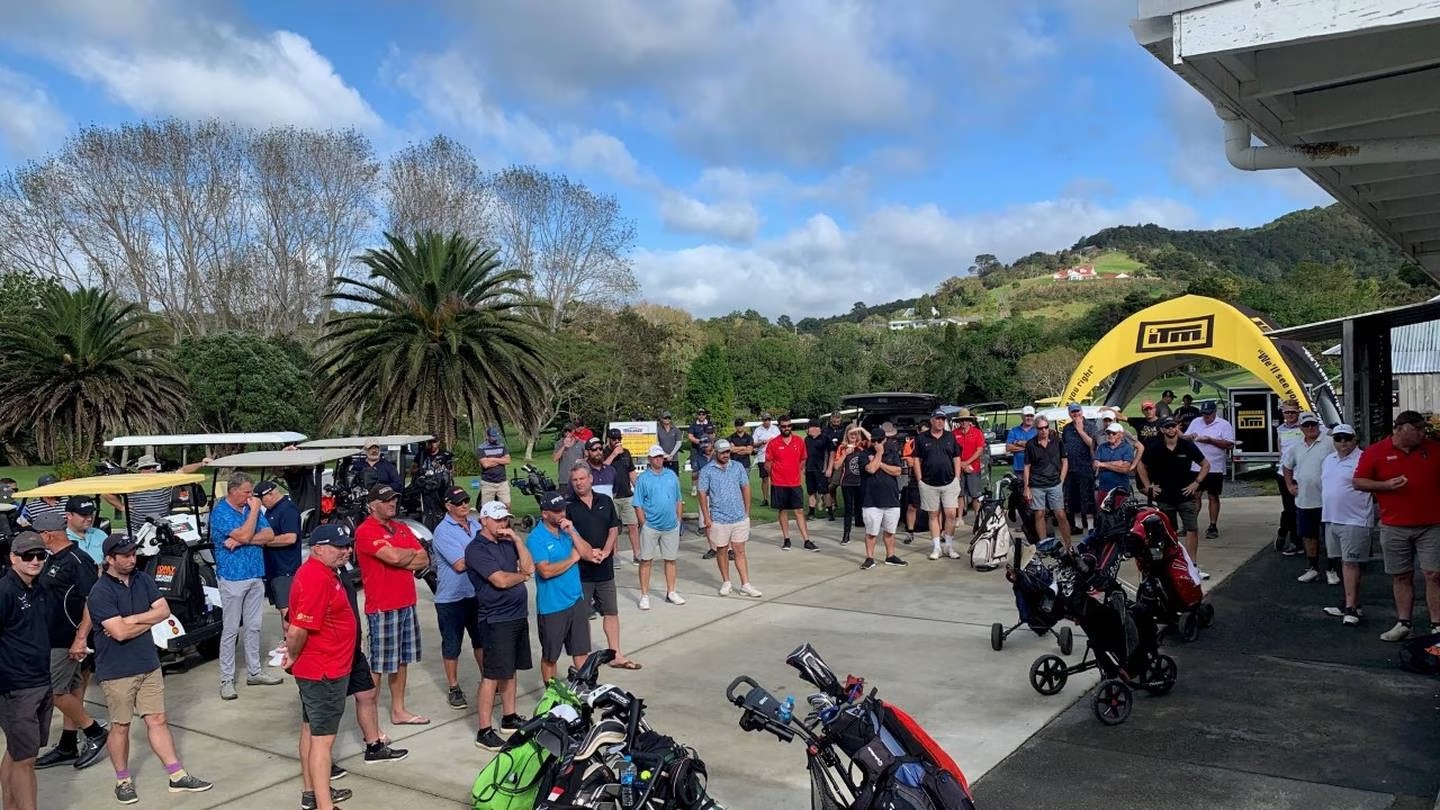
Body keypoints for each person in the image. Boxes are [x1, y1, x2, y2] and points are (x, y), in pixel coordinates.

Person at [88, 533, 213, 803]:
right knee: (120, 725)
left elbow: (164, 610)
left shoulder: (143, 579)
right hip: (117, 669)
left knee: (157, 720)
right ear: (109, 559)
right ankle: (123, 780)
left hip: (148, 663)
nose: (132, 559)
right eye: (125, 555)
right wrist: (143, 622)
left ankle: (176, 775)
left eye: (133, 553)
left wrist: (132, 619)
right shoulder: (100, 593)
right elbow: (119, 634)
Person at [283, 524, 358, 810]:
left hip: (321, 667)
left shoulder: (325, 572)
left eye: (347, 545)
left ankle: (312, 792)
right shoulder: (316, 577)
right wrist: (291, 654)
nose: (346, 550)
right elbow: (298, 628)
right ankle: (325, 805)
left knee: (311, 731)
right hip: (324, 670)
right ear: (317, 548)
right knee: (323, 742)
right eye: (339, 546)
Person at [1352, 410, 1440, 643]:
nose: (1423, 433)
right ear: (1401, 429)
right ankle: (1404, 623)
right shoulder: (1376, 452)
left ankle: (1437, 625)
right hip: (1394, 525)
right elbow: (1358, 481)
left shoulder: (1433, 449)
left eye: (1424, 428)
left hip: (1432, 524)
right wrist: (1384, 485)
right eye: (1417, 429)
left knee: (1434, 574)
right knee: (1401, 575)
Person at [29, 514, 107, 771]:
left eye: (37, 534)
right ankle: (67, 744)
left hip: (68, 639)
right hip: (52, 637)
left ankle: (94, 732)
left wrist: (81, 638)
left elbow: (91, 601)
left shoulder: (77, 561)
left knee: (54, 691)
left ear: (48, 535)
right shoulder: (51, 558)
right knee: (73, 691)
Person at [352, 484, 430, 726]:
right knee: (378, 663)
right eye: (386, 501)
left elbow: (424, 558)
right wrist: (403, 556)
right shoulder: (366, 531)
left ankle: (398, 710)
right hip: (382, 607)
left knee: (401, 660)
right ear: (372, 505)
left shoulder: (402, 527)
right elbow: (396, 557)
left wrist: (399, 556)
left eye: (394, 500)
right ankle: (370, 719)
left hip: (406, 603)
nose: (392, 504)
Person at [209, 473, 286, 700]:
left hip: (255, 573)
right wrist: (253, 513)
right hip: (233, 577)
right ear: (233, 491)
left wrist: (243, 539)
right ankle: (226, 679)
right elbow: (243, 533)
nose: (251, 496)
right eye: (246, 492)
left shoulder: (247, 508)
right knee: (231, 628)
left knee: (254, 626)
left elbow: (269, 534)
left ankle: (254, 671)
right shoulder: (221, 512)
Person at [466, 501, 534, 750]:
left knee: (511, 668)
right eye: (497, 519)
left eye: (505, 519)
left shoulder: (507, 541)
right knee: (492, 675)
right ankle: (484, 730)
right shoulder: (476, 549)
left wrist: (517, 540)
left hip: (517, 615)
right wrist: (523, 577)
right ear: (483, 520)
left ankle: (509, 716)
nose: (502, 524)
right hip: (495, 619)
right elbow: (501, 581)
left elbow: (529, 566)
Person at [0, 533, 55, 810]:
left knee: (17, 751)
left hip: (41, 680)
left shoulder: (39, 588)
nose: (35, 561)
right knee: (26, 759)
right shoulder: (4, 591)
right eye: (27, 556)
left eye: (40, 555)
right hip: (16, 687)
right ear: (12, 558)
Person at [567, 466, 642, 667]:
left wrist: (607, 551)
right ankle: (587, 660)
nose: (579, 483)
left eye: (582, 478)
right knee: (582, 617)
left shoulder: (605, 501)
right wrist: (588, 554)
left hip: (604, 567)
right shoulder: (568, 506)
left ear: (590, 479)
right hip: (581, 571)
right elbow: (569, 537)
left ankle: (616, 655)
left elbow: (613, 528)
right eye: (575, 480)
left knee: (611, 611)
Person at [525, 493, 591, 688]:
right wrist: (572, 559)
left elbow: (586, 553)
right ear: (545, 514)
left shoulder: (567, 529)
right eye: (556, 511)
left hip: (576, 599)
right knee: (550, 656)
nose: (562, 513)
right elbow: (545, 571)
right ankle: (551, 694)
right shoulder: (536, 538)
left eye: (562, 508)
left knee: (580, 651)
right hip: (552, 606)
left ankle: (584, 689)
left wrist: (573, 534)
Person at [429, 487, 485, 711]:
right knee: (452, 645)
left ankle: (488, 678)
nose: (464, 505)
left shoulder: (476, 524)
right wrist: (484, 555)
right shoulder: (443, 531)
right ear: (448, 506)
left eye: (466, 501)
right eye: (459, 502)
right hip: (451, 598)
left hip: (476, 593)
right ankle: (454, 687)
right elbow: (460, 564)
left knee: (481, 641)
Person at [1136, 416, 1210, 571]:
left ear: (1177, 427)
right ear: (1162, 429)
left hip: (1185, 495)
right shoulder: (1155, 447)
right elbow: (1141, 465)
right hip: (1164, 497)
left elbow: (1205, 464)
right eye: (1167, 427)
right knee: (1168, 532)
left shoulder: (1187, 445)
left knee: (1192, 528)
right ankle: (1172, 563)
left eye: (1173, 426)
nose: (1171, 429)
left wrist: (1196, 483)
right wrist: (1148, 486)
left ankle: (1192, 564)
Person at [1319, 424, 1373, 626]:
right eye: (1338, 438)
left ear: (1354, 439)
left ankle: (1351, 608)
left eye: (1347, 438)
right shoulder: (1328, 460)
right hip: (1332, 518)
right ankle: (1351, 603)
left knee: (1351, 563)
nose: (1342, 443)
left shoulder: (1363, 458)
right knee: (1343, 562)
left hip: (1355, 519)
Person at [699, 439, 762, 598]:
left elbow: (745, 487)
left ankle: (745, 584)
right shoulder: (707, 470)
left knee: (740, 551)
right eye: (723, 452)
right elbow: (702, 493)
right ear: (716, 453)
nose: (726, 455)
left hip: (739, 516)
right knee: (721, 550)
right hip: (719, 518)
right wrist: (706, 517)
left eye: (728, 452)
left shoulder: (738, 467)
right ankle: (726, 581)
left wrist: (747, 511)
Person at [1284, 412, 1337, 585]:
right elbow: (1287, 466)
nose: (1310, 428)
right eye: (1306, 425)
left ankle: (1332, 568)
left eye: (1313, 424)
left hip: (1327, 499)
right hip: (1305, 499)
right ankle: (1313, 568)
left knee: (1329, 535)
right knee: (1308, 535)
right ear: (1301, 428)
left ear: (1318, 424)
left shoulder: (1330, 442)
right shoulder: (1296, 446)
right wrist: (1290, 485)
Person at [256, 480, 302, 667]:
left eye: (260, 499)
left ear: (270, 494)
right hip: (275, 570)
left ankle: (290, 653)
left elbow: (291, 537)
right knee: (283, 612)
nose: (260, 504)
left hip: (286, 570)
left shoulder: (287, 509)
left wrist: (263, 541)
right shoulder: (272, 510)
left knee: (288, 615)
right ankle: (286, 644)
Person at [634, 446, 684, 609]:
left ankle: (671, 591)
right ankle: (644, 595)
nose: (658, 459)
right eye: (655, 457)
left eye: (660, 457)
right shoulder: (643, 479)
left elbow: (678, 498)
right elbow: (638, 503)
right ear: (649, 459)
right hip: (651, 526)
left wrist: (678, 519)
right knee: (646, 560)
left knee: (670, 560)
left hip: (671, 526)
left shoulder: (671, 475)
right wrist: (643, 523)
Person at [101, 454, 210, 527]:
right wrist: (121, 507)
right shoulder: (132, 482)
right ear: (140, 470)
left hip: (161, 527)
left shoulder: (164, 480)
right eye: (147, 468)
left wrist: (201, 464)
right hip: (137, 529)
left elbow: (182, 471)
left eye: (153, 467)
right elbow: (106, 492)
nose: (151, 470)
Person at [913, 410, 962, 560]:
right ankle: (936, 548)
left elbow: (956, 457)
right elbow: (916, 459)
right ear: (931, 420)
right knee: (933, 515)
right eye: (937, 419)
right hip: (928, 483)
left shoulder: (950, 436)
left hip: (949, 482)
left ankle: (948, 546)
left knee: (951, 514)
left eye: (942, 419)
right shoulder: (921, 438)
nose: (940, 421)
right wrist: (919, 479)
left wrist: (957, 477)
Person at [859, 423, 909, 570]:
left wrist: (879, 462)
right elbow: (870, 469)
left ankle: (890, 556)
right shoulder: (863, 454)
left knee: (890, 531)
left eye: (879, 441)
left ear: (884, 440)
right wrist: (879, 454)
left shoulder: (893, 452)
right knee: (871, 532)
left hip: (891, 499)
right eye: (874, 441)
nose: (876, 443)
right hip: (871, 500)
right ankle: (870, 557)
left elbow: (898, 471)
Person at [1184, 401, 1236, 540]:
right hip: (1197, 466)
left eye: (1208, 414)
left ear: (1214, 412)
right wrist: (1189, 437)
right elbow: (1186, 437)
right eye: (1204, 414)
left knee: (1213, 496)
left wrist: (1210, 440)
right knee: (1195, 495)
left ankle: (1213, 525)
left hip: (1215, 467)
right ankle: (1190, 524)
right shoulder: (1196, 422)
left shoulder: (1224, 424)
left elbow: (1229, 444)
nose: (1206, 417)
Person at [1023, 416, 1071, 550]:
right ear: (1036, 429)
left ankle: (1069, 545)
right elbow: (1027, 466)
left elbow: (1065, 461)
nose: (1043, 431)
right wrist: (1026, 487)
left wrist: (1061, 480)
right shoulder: (1031, 444)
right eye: (1040, 428)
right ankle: (1044, 544)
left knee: (1060, 514)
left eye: (1046, 427)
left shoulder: (1057, 441)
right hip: (1037, 483)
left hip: (1054, 483)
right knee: (1039, 514)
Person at [768, 417, 815, 551]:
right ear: (779, 427)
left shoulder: (798, 441)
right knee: (782, 510)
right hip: (779, 482)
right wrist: (776, 474)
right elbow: (768, 463)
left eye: (789, 426)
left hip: (794, 482)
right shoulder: (774, 443)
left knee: (799, 510)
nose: (786, 428)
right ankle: (786, 539)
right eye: (784, 426)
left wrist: (796, 471)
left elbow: (803, 459)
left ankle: (806, 540)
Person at [1059, 404, 1100, 534]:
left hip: (1086, 466)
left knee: (1087, 496)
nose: (1075, 414)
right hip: (1071, 467)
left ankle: (1091, 525)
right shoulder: (1066, 428)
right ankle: (1078, 525)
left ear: (1081, 412)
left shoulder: (1091, 426)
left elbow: (1093, 444)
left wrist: (1081, 430)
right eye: (1073, 412)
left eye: (1077, 411)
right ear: (1069, 414)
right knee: (1073, 498)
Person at [604, 428, 640, 566]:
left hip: (626, 495)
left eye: (619, 439)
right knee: (613, 528)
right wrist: (613, 454)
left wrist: (639, 489)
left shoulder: (626, 453)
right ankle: (615, 556)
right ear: (609, 440)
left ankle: (637, 554)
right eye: (614, 439)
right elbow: (602, 468)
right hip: (611, 496)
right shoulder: (604, 453)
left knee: (633, 525)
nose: (617, 441)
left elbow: (631, 472)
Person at [1273, 401, 1305, 555]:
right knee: (1290, 507)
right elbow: (1281, 450)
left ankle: (1288, 533)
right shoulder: (1280, 429)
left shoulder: (1305, 427)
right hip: (1285, 473)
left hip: (1302, 472)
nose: (1290, 415)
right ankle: (1293, 540)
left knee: (1302, 507)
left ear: (1298, 413)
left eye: (1293, 412)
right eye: (1287, 412)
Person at [832, 427, 867, 545]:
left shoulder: (862, 446)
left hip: (861, 481)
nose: (853, 435)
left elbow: (872, 439)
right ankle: (846, 534)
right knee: (848, 509)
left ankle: (869, 534)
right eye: (851, 433)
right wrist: (844, 454)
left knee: (865, 507)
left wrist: (861, 428)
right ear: (846, 434)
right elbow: (836, 466)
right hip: (847, 482)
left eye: (856, 433)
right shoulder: (842, 447)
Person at [953, 409, 987, 518]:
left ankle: (977, 517)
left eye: (966, 420)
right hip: (958, 468)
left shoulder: (977, 432)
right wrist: (961, 464)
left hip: (973, 467)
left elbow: (979, 450)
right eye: (961, 420)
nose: (964, 422)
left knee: (975, 494)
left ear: (969, 421)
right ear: (959, 421)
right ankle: (959, 517)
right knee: (960, 494)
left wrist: (967, 463)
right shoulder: (954, 434)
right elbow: (952, 451)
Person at [1093, 422, 1137, 504]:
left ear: (1120, 435)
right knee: (1103, 514)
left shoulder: (1127, 448)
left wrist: (1103, 464)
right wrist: (1118, 463)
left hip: (1120, 489)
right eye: (1108, 433)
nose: (1110, 435)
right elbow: (1095, 465)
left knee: (1119, 513)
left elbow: (1125, 469)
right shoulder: (1102, 447)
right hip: (1103, 488)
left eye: (1114, 433)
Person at [63, 496, 107, 573]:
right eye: (84, 514)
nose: (89, 518)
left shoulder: (100, 534)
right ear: (69, 515)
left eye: (91, 514)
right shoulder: (62, 539)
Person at [476, 426, 512, 508]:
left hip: (502, 482)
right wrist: (500, 460)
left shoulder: (502, 446)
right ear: (487, 436)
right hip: (488, 483)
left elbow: (508, 461)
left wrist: (492, 459)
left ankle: (506, 520)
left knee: (507, 505)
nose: (495, 439)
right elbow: (486, 464)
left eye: (496, 437)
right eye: (493, 437)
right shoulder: (481, 448)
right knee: (487, 507)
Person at [804, 423, 833, 521]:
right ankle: (811, 512)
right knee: (811, 491)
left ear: (817, 428)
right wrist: (804, 467)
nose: (808, 430)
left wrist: (829, 468)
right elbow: (805, 454)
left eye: (809, 428)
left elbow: (831, 453)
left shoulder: (825, 438)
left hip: (821, 469)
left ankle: (830, 512)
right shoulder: (807, 440)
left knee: (825, 491)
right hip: (809, 469)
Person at [752, 414, 781, 507]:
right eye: (765, 420)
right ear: (762, 420)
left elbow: (781, 440)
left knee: (776, 478)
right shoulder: (758, 430)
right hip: (762, 457)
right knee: (765, 479)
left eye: (768, 419)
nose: (767, 421)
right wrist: (761, 442)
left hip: (775, 457)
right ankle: (765, 499)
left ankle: (777, 498)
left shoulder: (775, 429)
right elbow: (753, 443)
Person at [552, 425, 586, 497]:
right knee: (566, 502)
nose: (567, 433)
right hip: (565, 479)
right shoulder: (559, 443)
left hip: (579, 478)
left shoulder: (580, 443)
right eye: (565, 431)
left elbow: (587, 456)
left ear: (573, 431)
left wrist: (583, 460)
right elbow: (554, 459)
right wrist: (564, 446)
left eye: (569, 431)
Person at [1005, 406, 1039, 478]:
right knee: (1020, 488)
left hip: (1035, 467)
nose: (1029, 418)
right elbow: (1008, 448)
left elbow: (1039, 446)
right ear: (1022, 416)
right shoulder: (1014, 430)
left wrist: (1018, 442)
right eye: (1027, 416)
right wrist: (1029, 447)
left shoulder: (1038, 430)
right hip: (1019, 467)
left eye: (1031, 416)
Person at [686, 408, 713, 497]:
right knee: (695, 471)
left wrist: (707, 443)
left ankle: (708, 487)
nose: (701, 416)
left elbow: (712, 435)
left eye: (703, 414)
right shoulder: (693, 425)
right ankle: (694, 487)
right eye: (699, 414)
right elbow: (690, 436)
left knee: (709, 469)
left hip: (707, 450)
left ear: (705, 415)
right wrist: (700, 441)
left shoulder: (709, 424)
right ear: (697, 415)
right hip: (696, 450)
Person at [656, 411, 684, 476]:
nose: (667, 419)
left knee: (674, 479)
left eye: (669, 418)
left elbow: (678, 443)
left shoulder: (676, 430)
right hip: (662, 459)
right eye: (665, 418)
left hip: (674, 459)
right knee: (662, 478)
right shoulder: (658, 430)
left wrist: (671, 455)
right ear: (662, 419)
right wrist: (664, 454)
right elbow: (657, 443)